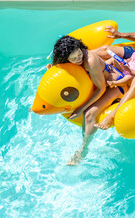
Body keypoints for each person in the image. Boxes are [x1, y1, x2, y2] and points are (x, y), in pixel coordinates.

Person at [49, 36, 124, 165]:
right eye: (73, 58)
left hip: (115, 86)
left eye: (79, 53)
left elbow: (101, 89)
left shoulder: (90, 60)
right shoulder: (68, 61)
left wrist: (81, 108)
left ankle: (83, 149)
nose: (79, 59)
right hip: (98, 83)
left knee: (89, 114)